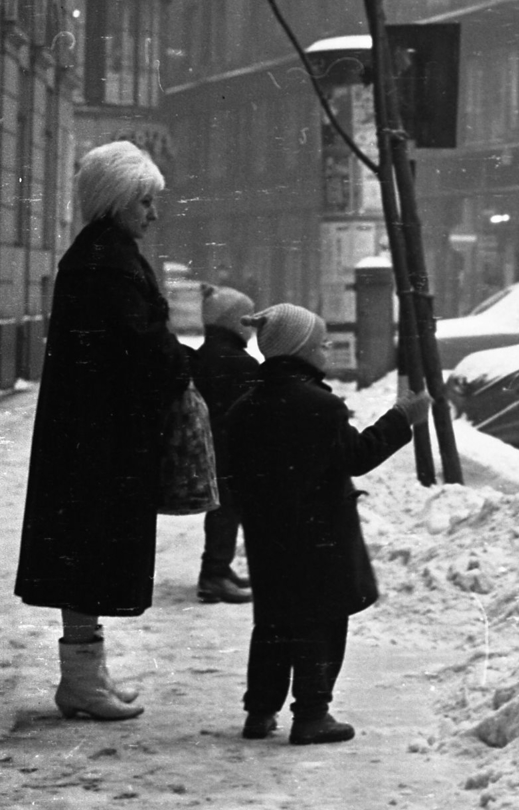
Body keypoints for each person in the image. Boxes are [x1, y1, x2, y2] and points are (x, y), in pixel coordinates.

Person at [15, 140, 194, 721]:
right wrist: (189, 362)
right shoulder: (108, 261)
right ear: (117, 201)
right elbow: (139, 348)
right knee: (86, 553)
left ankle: (87, 677)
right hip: (97, 440)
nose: (153, 213)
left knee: (83, 553)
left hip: (90, 434)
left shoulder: (100, 253)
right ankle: (81, 683)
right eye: (144, 200)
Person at [224, 303, 429, 745]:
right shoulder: (319, 405)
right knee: (323, 620)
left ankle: (259, 713)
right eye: (321, 342)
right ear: (299, 349)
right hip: (320, 536)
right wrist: (400, 419)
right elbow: (356, 457)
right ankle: (312, 714)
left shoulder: (245, 405)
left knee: (274, 621)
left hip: (267, 537)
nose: (328, 348)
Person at [190, 285, 260, 604]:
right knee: (226, 511)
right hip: (229, 452)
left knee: (223, 510)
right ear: (233, 322)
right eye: (246, 319)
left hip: (213, 449)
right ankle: (214, 575)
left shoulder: (209, 354)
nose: (251, 327)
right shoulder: (237, 362)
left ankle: (218, 568)